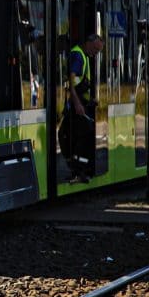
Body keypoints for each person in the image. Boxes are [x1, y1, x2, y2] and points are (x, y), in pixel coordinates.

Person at [59, 33, 104, 184]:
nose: (95, 54)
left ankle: (79, 171)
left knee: (77, 135)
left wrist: (90, 100)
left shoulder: (83, 56)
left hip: (80, 103)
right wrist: (78, 103)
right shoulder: (78, 56)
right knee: (74, 136)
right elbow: (71, 82)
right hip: (77, 105)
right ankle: (78, 171)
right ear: (89, 43)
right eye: (96, 50)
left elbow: (80, 83)